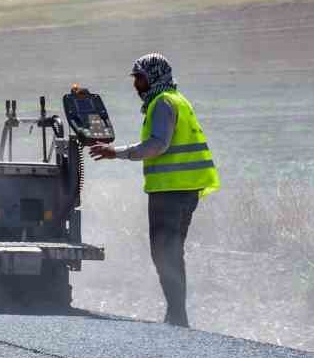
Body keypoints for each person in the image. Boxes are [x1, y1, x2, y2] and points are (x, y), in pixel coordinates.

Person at [90, 52, 221, 327]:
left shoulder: (162, 103)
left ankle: (177, 316)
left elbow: (157, 145)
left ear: (153, 77)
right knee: (172, 251)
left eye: (140, 77)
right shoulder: (177, 99)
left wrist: (117, 153)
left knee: (164, 252)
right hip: (186, 189)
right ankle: (176, 314)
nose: (136, 83)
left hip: (170, 191)